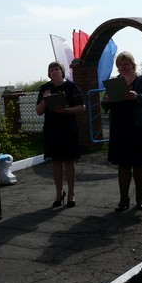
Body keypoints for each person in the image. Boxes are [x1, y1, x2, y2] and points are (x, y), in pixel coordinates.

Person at [102, 51, 142, 212]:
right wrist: (107, 100)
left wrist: (137, 96)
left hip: (139, 127)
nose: (123, 67)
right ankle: (123, 200)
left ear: (133, 65)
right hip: (120, 128)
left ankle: (139, 199)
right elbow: (104, 104)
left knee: (139, 165)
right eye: (120, 64)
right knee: (123, 165)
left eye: (126, 63)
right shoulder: (115, 82)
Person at [36, 61, 86, 208]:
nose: (54, 72)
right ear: (49, 73)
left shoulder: (72, 86)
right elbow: (39, 111)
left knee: (69, 161)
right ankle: (59, 193)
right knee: (56, 162)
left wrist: (66, 110)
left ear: (62, 72)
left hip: (68, 129)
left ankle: (71, 194)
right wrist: (45, 100)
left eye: (57, 69)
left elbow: (82, 107)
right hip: (52, 129)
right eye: (51, 70)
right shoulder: (45, 88)